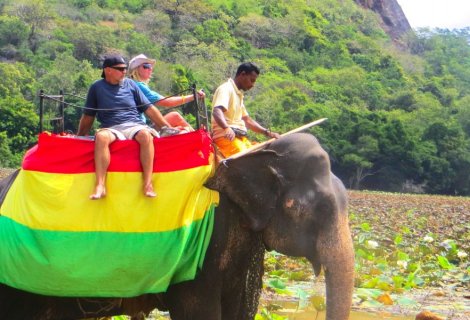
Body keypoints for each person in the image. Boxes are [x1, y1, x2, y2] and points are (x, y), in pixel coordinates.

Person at [77, 54, 174, 200]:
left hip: (134, 124)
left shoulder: (131, 84)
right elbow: (88, 116)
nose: (124, 71)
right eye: (120, 69)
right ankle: (100, 185)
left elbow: (149, 109)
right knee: (101, 137)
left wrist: (166, 127)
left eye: (125, 68)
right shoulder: (96, 88)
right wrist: (79, 136)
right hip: (111, 127)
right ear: (108, 70)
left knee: (145, 135)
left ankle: (147, 184)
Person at [211, 62, 280, 158]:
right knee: (247, 159)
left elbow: (247, 120)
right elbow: (217, 111)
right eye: (252, 80)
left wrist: (268, 133)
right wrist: (226, 128)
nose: (253, 85)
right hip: (225, 138)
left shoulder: (238, 94)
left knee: (263, 153)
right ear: (242, 74)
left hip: (240, 138)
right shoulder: (226, 89)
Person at [128, 54, 205, 133]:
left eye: (151, 66)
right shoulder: (138, 85)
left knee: (175, 119)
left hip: (139, 126)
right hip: (139, 128)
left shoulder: (132, 84)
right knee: (175, 116)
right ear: (136, 69)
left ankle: (195, 136)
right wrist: (194, 96)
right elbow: (167, 102)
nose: (150, 69)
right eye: (146, 66)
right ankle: (198, 139)